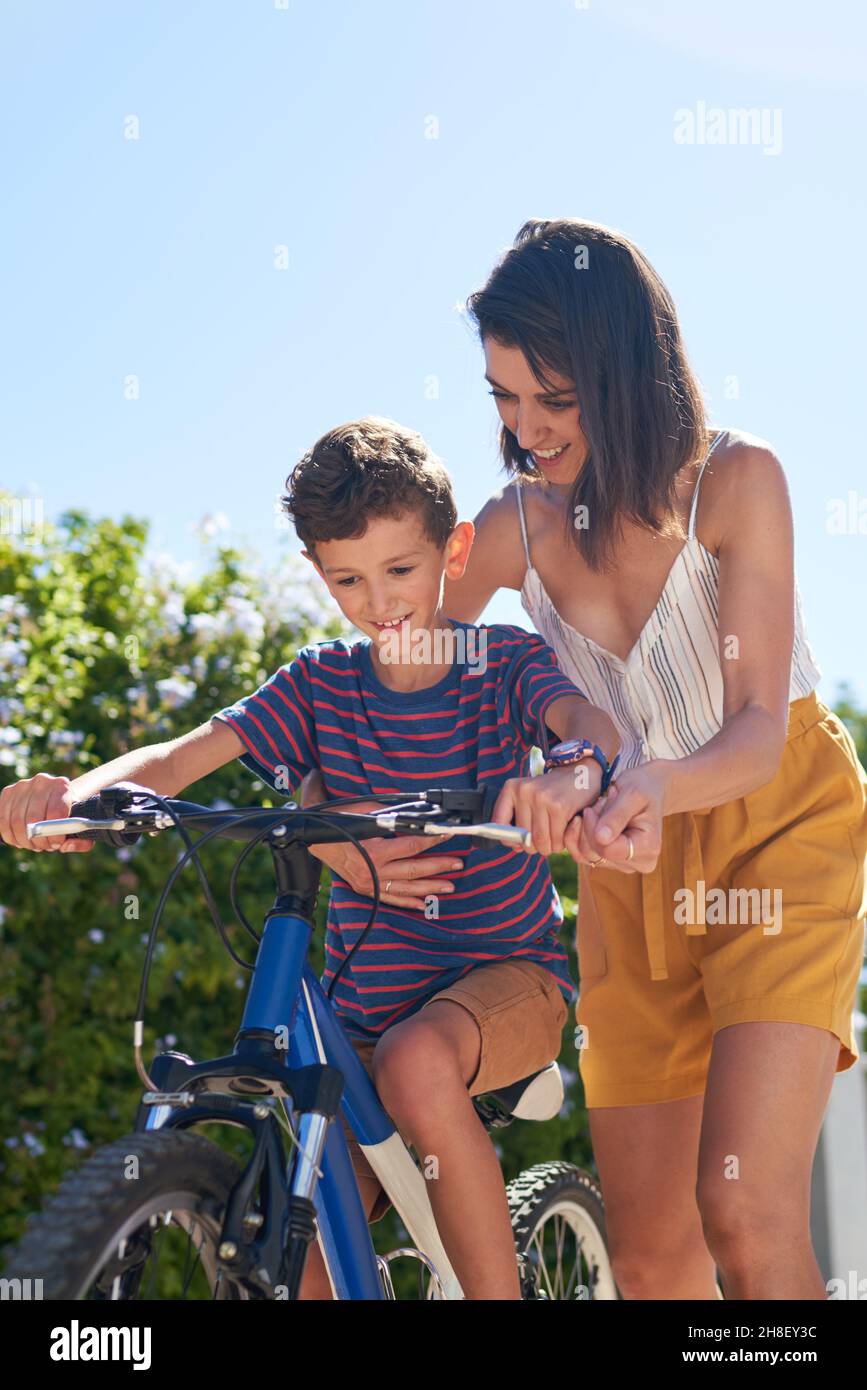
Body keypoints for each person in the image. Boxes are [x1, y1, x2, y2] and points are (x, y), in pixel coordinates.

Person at [302, 220, 867, 1301]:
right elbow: (384, 682)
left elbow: (754, 727)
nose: (527, 429)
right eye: (503, 399)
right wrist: (339, 833)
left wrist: (646, 778)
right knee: (652, 1260)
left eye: (552, 399)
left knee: (742, 1212)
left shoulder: (739, 482)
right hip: (624, 870)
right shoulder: (513, 528)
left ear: (621, 371)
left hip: (778, 830)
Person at [0, 412, 622, 1301]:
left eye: (400, 569)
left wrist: (572, 772)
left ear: (455, 550)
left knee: (415, 1062)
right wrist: (73, 795)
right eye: (348, 579)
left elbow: (584, 725)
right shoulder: (319, 683)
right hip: (362, 1016)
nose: (379, 601)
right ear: (318, 574)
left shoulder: (501, 664)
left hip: (507, 977)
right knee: (308, 1240)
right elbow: (180, 759)